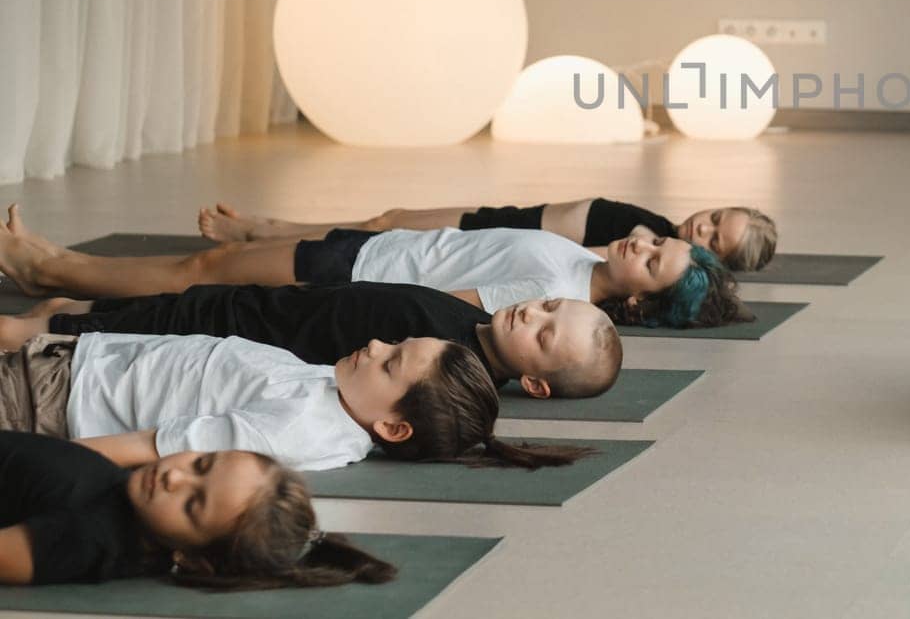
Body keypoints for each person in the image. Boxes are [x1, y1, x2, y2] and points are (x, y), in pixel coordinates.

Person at [0, 208, 747, 331]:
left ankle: (49, 267)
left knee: (203, 271)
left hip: (352, 271)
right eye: (656, 243)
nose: (641, 246)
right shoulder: (584, 258)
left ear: (643, 304)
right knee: (211, 263)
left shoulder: (554, 291)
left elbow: (434, 299)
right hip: (370, 247)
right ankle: (53, 273)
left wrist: (328, 289)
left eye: (653, 263)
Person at [0, 327, 593, 472]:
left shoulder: (294, 430)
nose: (375, 343)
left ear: (392, 427)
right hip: (68, 361)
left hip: (45, 400)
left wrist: (24, 467)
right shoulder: (341, 393)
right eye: (394, 343)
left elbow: (144, 447)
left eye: (390, 362)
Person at [0, 280, 623, 400]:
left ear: (535, 383)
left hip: (232, 330)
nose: (529, 317)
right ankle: (61, 310)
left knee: (131, 321)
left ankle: (34, 328)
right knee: (148, 302)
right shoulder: (473, 324)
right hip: (256, 304)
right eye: (547, 306)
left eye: (544, 336)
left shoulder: (441, 360)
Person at [0, 431, 395, 587]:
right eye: (201, 464)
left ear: (192, 559)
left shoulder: (89, 540)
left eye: (192, 504)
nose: (176, 477)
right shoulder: (126, 504)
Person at [198, 196, 779, 272]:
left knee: (380, 229)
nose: (701, 226)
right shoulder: (647, 223)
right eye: (714, 217)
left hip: (486, 244)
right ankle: (268, 229)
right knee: (384, 220)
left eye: (714, 239)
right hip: (496, 223)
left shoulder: (645, 243)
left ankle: (263, 233)